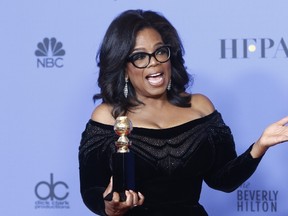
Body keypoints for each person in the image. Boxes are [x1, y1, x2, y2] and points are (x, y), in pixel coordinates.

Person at [78, 9, 288, 216]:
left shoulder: (200, 106)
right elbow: (90, 189)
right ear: (123, 67)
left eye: (160, 51)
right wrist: (108, 206)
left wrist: (260, 146)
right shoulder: (107, 117)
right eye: (140, 56)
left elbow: (223, 180)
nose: (154, 62)